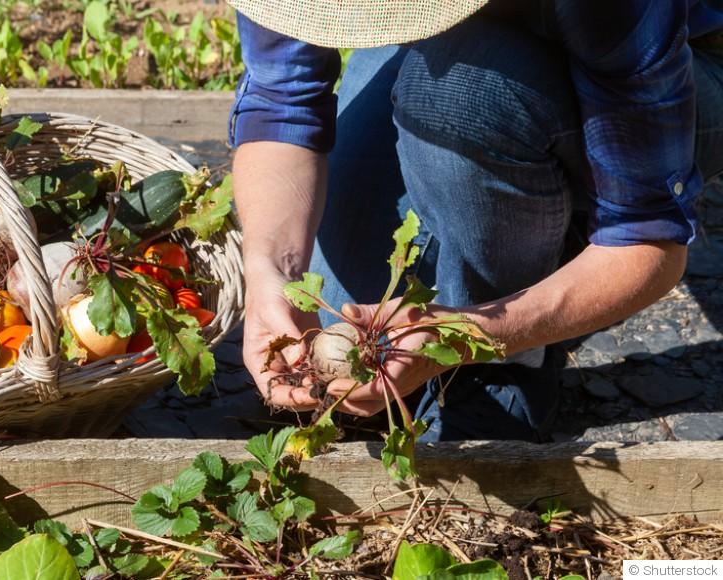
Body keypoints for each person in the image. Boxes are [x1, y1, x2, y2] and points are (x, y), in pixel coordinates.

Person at [228, 0, 723, 441]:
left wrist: (468, 333)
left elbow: (649, 239)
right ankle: (519, 219)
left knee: (462, 96)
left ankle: (513, 357)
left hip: (676, 61)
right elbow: (281, 100)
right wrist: (271, 271)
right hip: (440, 47)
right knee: (340, 309)